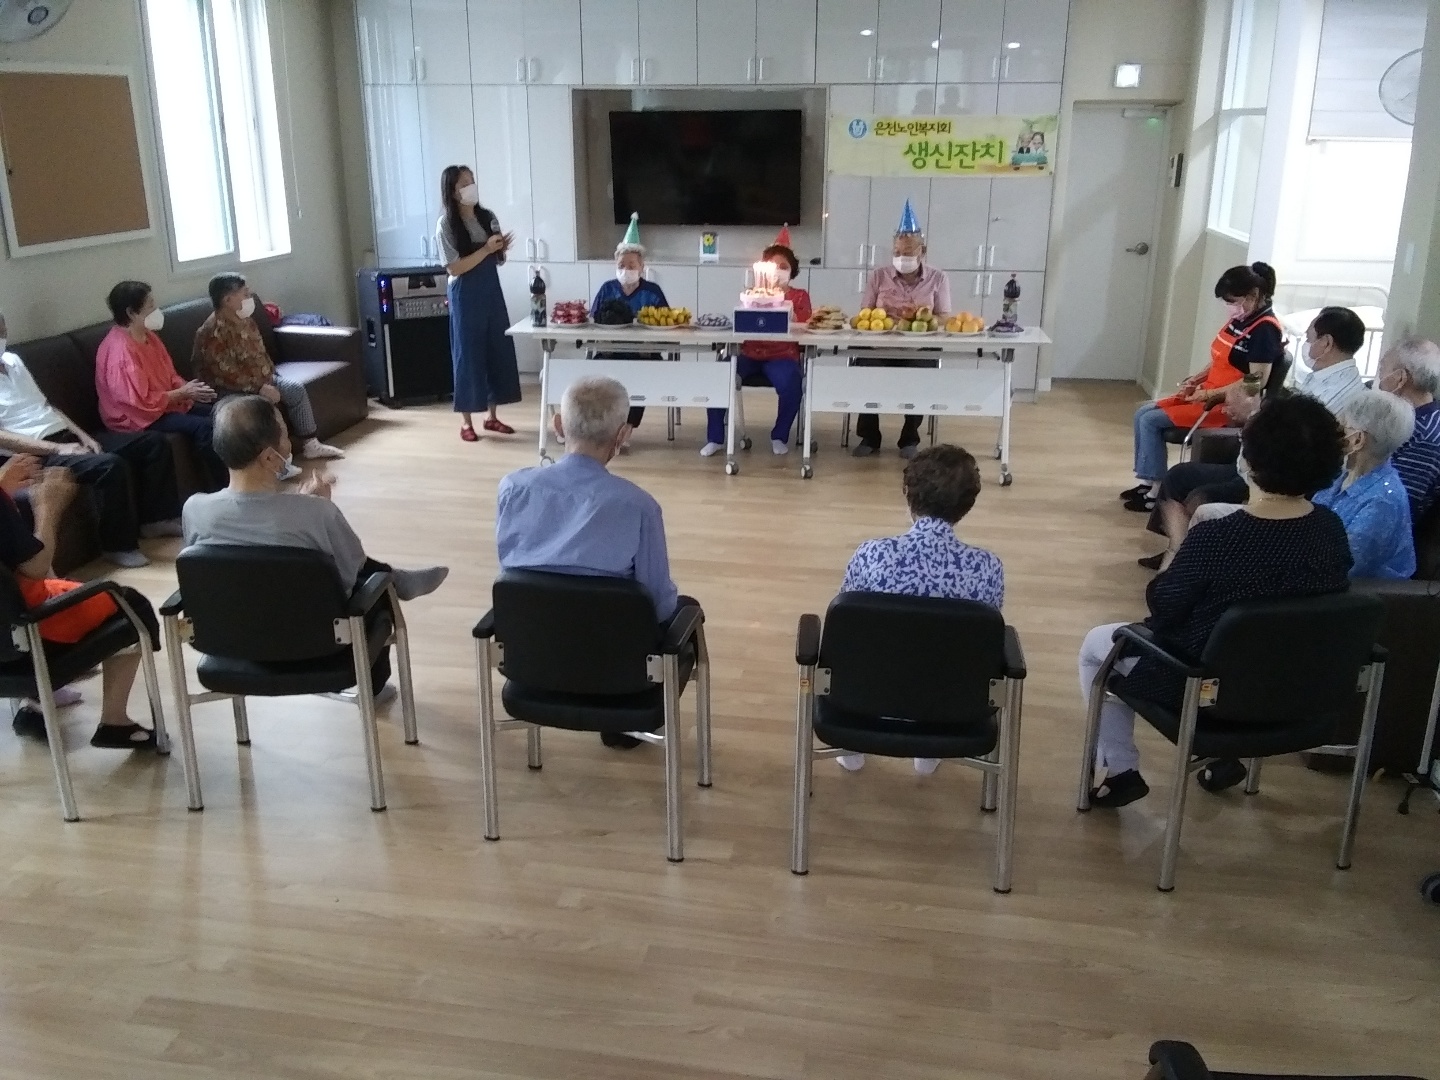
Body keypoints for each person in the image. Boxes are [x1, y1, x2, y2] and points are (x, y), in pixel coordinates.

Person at [1080, 395, 1352, 807]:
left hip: (1206, 691)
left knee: (1096, 645)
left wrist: (1177, 544)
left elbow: (1164, 608)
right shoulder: (1330, 531)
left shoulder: (1218, 537)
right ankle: (1223, 757)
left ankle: (1120, 770)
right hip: (1296, 685)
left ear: (1250, 461)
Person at [182, 396, 449, 702]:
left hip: (230, 641)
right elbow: (350, 576)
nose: (289, 442)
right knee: (376, 588)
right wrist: (313, 506)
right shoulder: (316, 513)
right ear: (269, 457)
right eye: (285, 434)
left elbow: (209, 566)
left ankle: (398, 580)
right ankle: (374, 681)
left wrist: (301, 505)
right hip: (315, 644)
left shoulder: (194, 509)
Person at [496, 376, 695, 749]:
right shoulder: (638, 506)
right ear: (623, 434)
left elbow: (513, 569)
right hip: (619, 672)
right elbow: (659, 605)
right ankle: (618, 723)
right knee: (679, 610)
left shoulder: (513, 488)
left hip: (536, 660)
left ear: (558, 425)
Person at [1138, 306, 1371, 570]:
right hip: (1261, 462)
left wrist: (1251, 416)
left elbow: (1292, 436)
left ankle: (1186, 559)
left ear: (1326, 343)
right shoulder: (1323, 378)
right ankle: (1177, 548)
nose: (1306, 345)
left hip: (1280, 475)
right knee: (1179, 475)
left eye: (1309, 338)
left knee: (1202, 496)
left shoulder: (1339, 392)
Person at [835, 444, 1004, 775]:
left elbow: (847, 629)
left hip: (867, 697)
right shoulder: (988, 567)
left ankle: (851, 749)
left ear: (908, 494)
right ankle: (929, 749)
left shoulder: (872, 554)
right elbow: (982, 640)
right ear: (967, 504)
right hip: (952, 704)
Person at [1, 456, 162, 748]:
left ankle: (37, 704)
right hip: (23, 640)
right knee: (132, 606)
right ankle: (114, 722)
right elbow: (36, 567)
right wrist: (48, 507)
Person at [0, 310, 181, 568]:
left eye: (3, 330)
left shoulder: (13, 360)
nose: (2, 337)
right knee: (110, 465)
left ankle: (157, 520)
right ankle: (117, 546)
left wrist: (83, 436)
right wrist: (58, 449)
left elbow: (47, 405)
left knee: (153, 443)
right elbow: (2, 438)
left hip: (64, 436)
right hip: (36, 452)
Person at [1123, 263, 1282, 512]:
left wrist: (1209, 394)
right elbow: (1220, 358)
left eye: (1232, 301)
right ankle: (1147, 481)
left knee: (1150, 420)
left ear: (1252, 295)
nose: (1229, 307)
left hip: (1224, 404)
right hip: (1208, 391)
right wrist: (1196, 379)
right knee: (1142, 412)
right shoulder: (1241, 320)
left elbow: (1256, 381)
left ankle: (1157, 492)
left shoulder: (1264, 330)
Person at [192, 272, 344, 466]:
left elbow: (260, 354)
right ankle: (279, 464)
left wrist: (271, 378)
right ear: (228, 300)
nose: (249, 298)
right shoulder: (211, 333)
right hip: (231, 390)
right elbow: (226, 374)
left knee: (295, 390)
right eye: (245, 294)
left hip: (263, 378)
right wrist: (259, 388)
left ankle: (311, 444)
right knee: (266, 407)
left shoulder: (246, 320)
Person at [95, 280, 227, 491]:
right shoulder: (121, 351)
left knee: (223, 412)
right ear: (131, 313)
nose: (156, 310)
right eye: (150, 305)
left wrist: (190, 391)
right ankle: (221, 487)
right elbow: (139, 403)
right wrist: (181, 393)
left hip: (165, 404)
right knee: (205, 427)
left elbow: (170, 375)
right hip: (137, 418)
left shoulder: (150, 337)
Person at [853, 199, 952, 459]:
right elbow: (864, 313)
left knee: (920, 376)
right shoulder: (879, 276)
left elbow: (944, 317)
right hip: (879, 345)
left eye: (907, 253)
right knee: (866, 370)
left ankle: (909, 438)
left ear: (922, 252)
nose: (901, 258)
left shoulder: (938, 278)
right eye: (897, 252)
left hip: (918, 347)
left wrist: (920, 316)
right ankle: (869, 436)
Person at [703, 231, 812, 458]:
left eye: (784, 266)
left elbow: (805, 324)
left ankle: (779, 435)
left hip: (781, 355)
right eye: (774, 266)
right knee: (719, 375)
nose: (778, 271)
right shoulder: (753, 294)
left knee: (792, 383)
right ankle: (715, 438)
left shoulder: (800, 296)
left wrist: (790, 316)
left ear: (792, 270)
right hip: (749, 353)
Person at [436, 165, 521, 443]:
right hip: (465, 294)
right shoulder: (446, 225)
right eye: (464, 183)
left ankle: (492, 416)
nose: (471, 186)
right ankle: (466, 422)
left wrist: (500, 249)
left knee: (496, 348)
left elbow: (497, 260)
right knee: (468, 354)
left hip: (490, 290)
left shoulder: (487, 217)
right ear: (452, 191)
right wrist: (485, 249)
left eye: (472, 180)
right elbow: (454, 267)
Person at [1314, 389, 1416, 580]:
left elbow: (1344, 567)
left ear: (1357, 440)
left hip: (1364, 592)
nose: (1333, 434)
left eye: (1340, 427)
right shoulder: (1342, 474)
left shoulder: (1382, 501)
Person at [588, 214, 668, 441]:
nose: (626, 269)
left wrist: (649, 347)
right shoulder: (607, 289)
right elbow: (593, 321)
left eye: (631, 265)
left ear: (642, 267)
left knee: (639, 376)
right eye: (621, 265)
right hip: (610, 351)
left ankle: (627, 427)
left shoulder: (652, 292)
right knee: (597, 376)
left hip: (644, 353)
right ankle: (604, 427)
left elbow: (666, 324)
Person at [1376, 338, 1440, 525]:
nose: (1378, 379)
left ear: (1400, 378)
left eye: (1382, 369)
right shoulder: (1405, 418)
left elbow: (1395, 509)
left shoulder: (1426, 437)